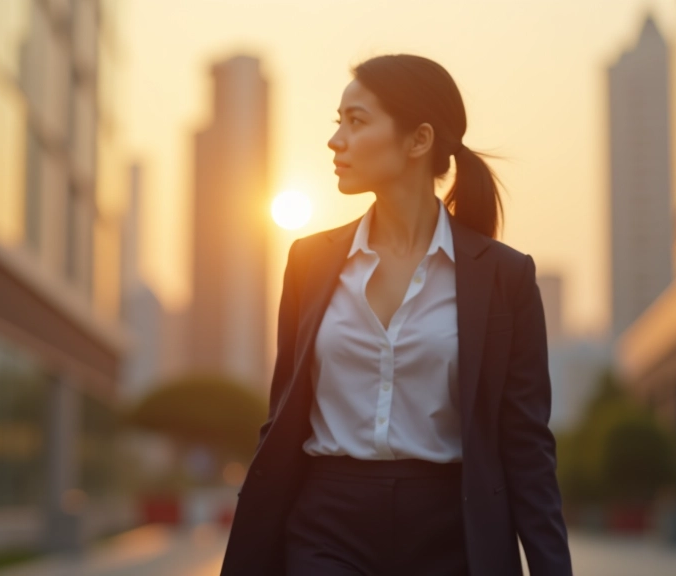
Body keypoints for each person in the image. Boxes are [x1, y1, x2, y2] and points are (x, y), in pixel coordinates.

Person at [220, 54, 572, 576]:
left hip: (451, 531)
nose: (336, 140)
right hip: (325, 525)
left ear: (419, 140)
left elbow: (525, 445)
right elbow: (283, 413)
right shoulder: (308, 262)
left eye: (356, 121)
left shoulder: (505, 277)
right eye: (337, 122)